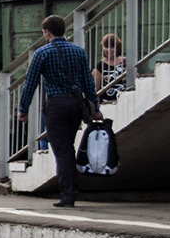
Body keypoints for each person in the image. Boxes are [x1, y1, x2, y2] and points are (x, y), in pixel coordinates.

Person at [18, 15, 102, 208]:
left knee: (62, 150)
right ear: (63, 30)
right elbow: (89, 83)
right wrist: (95, 108)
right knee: (69, 147)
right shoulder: (78, 51)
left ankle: (67, 195)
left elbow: (30, 84)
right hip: (75, 105)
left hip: (56, 106)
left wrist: (23, 109)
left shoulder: (42, 53)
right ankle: (73, 187)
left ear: (47, 32)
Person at [93, 33, 127, 102]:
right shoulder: (99, 67)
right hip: (107, 103)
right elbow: (95, 90)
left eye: (112, 47)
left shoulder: (125, 62)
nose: (109, 50)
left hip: (125, 100)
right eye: (106, 46)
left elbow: (135, 77)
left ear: (117, 48)